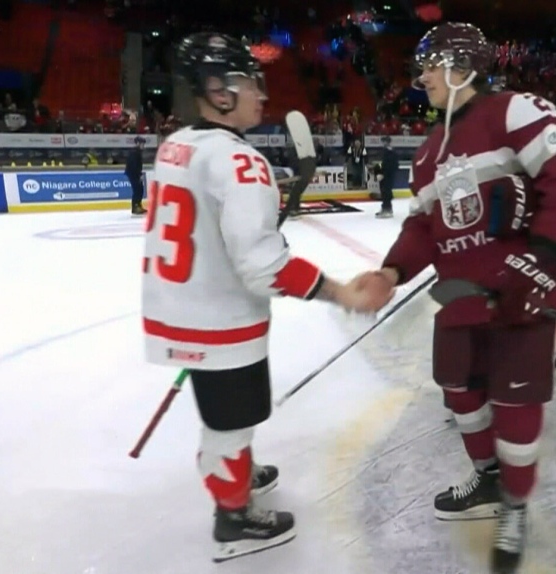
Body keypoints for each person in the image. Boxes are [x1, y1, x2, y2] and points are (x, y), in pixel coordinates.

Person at [141, 32, 391, 563]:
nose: (260, 93)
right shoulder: (239, 161)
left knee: (228, 410)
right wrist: (340, 291)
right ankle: (233, 513)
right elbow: (262, 266)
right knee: (232, 420)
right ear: (218, 91)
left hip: (179, 309)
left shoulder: (175, 143)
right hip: (220, 321)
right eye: (249, 83)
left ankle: (238, 468)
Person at [350, 22, 556, 573]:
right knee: (460, 392)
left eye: (431, 65)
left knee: (514, 402)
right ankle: (487, 480)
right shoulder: (430, 149)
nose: (422, 77)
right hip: (460, 295)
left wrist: (539, 262)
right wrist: (391, 271)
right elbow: (422, 227)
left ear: (463, 66)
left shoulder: (515, 110)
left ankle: (515, 503)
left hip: (521, 288)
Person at [376, 134, 397, 218]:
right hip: (383, 175)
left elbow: (392, 165)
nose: (383, 143)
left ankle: (387, 209)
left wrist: (384, 173)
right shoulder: (384, 151)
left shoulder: (391, 152)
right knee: (384, 191)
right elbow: (381, 163)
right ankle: (385, 207)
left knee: (386, 192)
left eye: (384, 141)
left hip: (388, 175)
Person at [126, 137, 147, 215]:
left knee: (139, 189)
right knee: (137, 189)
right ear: (138, 143)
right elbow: (134, 165)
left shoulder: (137, 151)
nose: (143, 145)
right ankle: (135, 207)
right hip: (133, 174)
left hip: (135, 173)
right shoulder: (134, 152)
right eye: (142, 144)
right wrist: (138, 175)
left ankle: (138, 205)